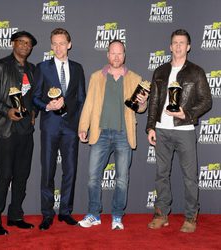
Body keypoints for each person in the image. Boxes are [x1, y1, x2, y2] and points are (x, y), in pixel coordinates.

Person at [146, 29, 212, 233]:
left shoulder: (196, 71)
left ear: (188, 46)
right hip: (162, 129)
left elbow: (206, 101)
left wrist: (187, 114)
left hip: (184, 129)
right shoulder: (160, 71)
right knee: (161, 174)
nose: (178, 46)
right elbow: (154, 101)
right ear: (170, 46)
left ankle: (191, 216)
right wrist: (150, 126)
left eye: (182, 42)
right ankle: (161, 213)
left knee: (190, 176)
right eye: (175, 42)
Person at [78, 40, 148, 230]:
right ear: (107, 55)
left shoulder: (135, 78)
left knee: (122, 179)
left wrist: (142, 103)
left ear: (124, 55)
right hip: (100, 134)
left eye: (120, 54)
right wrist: (83, 126)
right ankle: (94, 214)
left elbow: (140, 109)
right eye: (113, 53)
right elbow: (89, 104)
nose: (116, 57)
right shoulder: (96, 77)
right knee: (93, 177)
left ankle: (117, 215)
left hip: (124, 134)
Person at [0, 31, 38, 235]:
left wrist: (33, 113)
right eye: (21, 42)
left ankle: (15, 216)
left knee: (22, 175)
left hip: (25, 130)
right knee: (5, 175)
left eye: (28, 44)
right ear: (13, 43)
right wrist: (6, 110)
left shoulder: (32, 69)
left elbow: (34, 96)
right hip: (6, 128)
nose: (25, 45)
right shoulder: (0, 66)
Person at [33, 28, 86, 230]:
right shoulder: (42, 67)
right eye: (54, 43)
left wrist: (81, 125)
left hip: (71, 127)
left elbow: (81, 98)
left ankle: (65, 211)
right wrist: (47, 105)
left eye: (62, 43)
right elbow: (35, 97)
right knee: (48, 170)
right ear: (51, 45)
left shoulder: (78, 68)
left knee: (70, 170)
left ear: (69, 44)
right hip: (50, 126)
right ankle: (47, 214)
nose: (58, 47)